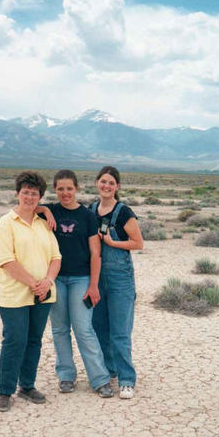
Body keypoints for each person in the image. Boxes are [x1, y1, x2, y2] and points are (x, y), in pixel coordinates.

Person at [40, 170, 113, 397]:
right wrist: (43, 209)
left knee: (83, 328)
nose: (65, 193)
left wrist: (93, 285)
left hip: (81, 279)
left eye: (69, 188)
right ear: (55, 189)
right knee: (60, 328)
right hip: (56, 278)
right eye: (60, 189)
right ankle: (66, 376)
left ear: (77, 189)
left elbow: (95, 254)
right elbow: (24, 206)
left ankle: (100, 379)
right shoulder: (49, 211)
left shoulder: (87, 216)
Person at [0, 171, 62, 412]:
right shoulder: (6, 223)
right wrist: (35, 283)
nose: (29, 197)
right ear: (17, 193)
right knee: (14, 340)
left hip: (43, 294)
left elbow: (56, 257)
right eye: (25, 192)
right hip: (14, 294)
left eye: (34, 194)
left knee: (34, 341)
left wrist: (48, 282)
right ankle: (5, 390)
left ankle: (27, 386)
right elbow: (6, 261)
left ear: (40, 197)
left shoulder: (44, 225)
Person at [90, 166, 144, 399]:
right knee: (100, 327)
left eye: (111, 183)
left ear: (117, 186)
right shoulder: (91, 209)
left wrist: (113, 243)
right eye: (103, 181)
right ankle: (108, 370)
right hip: (96, 276)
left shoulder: (124, 212)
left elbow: (138, 243)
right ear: (97, 183)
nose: (106, 186)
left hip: (120, 278)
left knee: (120, 331)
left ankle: (126, 380)